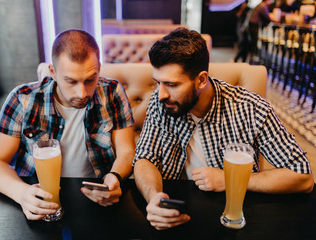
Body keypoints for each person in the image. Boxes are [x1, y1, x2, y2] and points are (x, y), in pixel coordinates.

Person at [133, 27, 314, 230]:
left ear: (201, 79)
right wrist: (153, 197)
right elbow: (144, 158)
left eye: (172, 84)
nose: (161, 94)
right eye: (157, 83)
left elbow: (302, 177)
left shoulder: (250, 108)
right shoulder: (162, 102)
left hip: (232, 218)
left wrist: (230, 180)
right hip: (173, 214)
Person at [0, 29, 135, 220]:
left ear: (99, 68)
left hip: (97, 200)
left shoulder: (112, 92)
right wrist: (22, 194)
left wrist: (115, 177)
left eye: (90, 80)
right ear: (53, 72)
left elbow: (127, 151)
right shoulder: (23, 99)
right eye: (71, 81)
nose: (82, 93)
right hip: (40, 201)